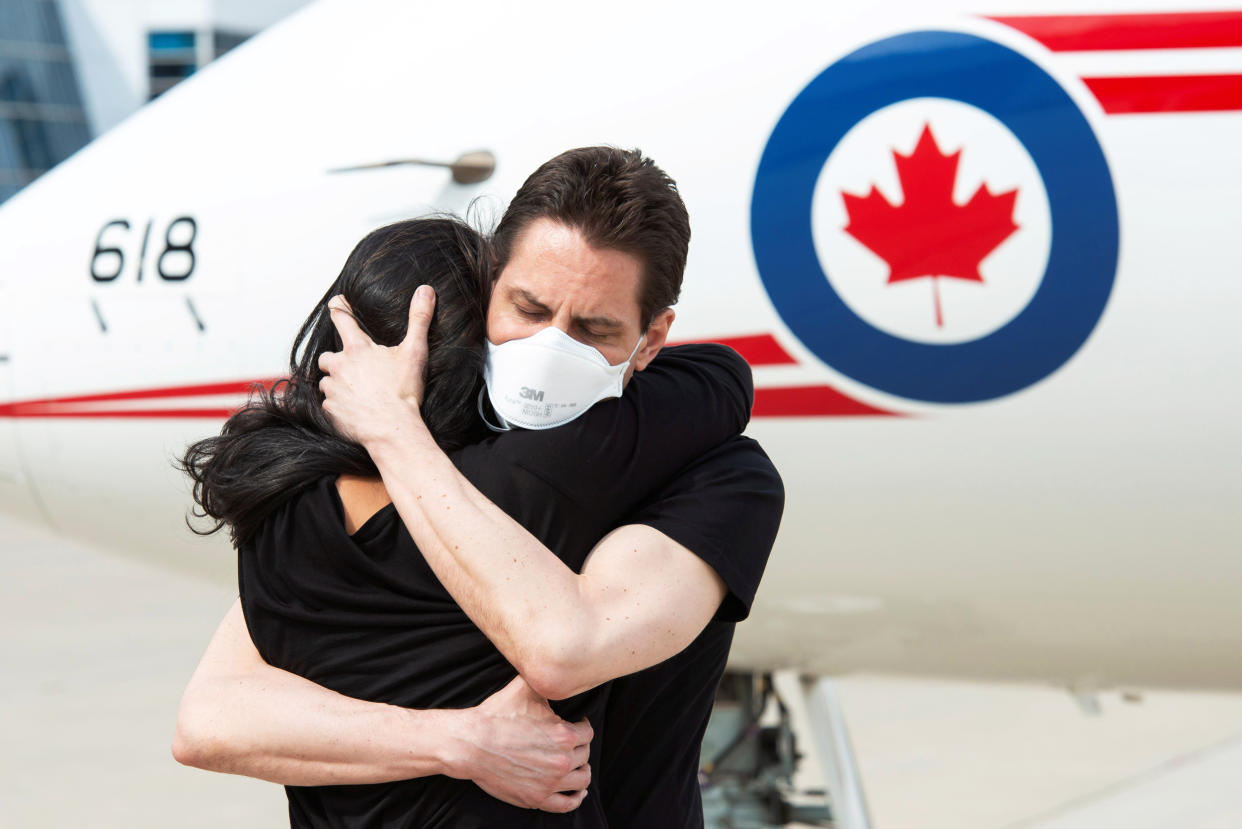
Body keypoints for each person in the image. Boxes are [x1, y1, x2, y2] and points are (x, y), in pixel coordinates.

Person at [176, 147, 784, 827]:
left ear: (651, 339)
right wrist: (460, 740)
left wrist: (391, 428)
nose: (550, 349)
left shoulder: (708, 475)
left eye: (594, 328)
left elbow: (566, 646)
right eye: (528, 308)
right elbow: (207, 718)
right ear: (486, 289)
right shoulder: (403, 484)